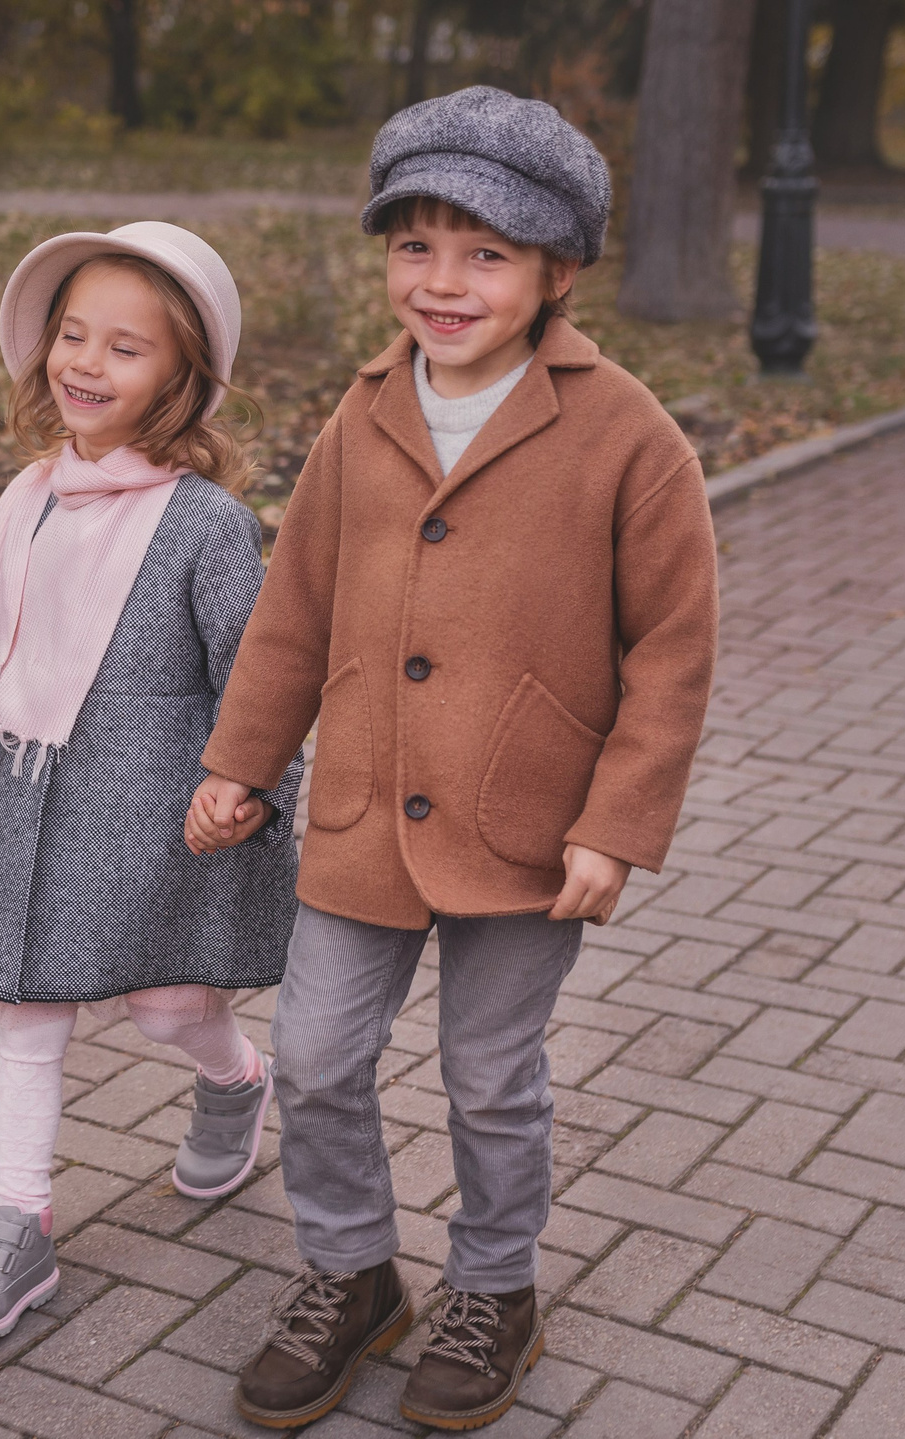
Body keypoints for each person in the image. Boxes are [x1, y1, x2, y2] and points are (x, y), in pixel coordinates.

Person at [187, 87, 720, 1430]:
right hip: (365, 806)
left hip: (529, 823)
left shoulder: (626, 435)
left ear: (557, 272)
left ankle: (495, 1286)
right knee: (311, 1054)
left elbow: (671, 647)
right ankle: (354, 1269)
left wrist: (618, 821)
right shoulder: (361, 418)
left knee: (491, 1075)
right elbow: (294, 610)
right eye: (415, 243)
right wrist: (241, 760)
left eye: (485, 251)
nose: (443, 280)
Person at [0, 221, 306, 1341]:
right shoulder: (22, 503)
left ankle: (232, 1079)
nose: (86, 362)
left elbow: (261, 678)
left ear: (182, 377)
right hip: (44, 809)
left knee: (169, 1005)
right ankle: (17, 1220)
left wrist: (249, 784)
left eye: (125, 347)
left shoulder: (205, 528)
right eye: (72, 334)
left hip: (164, 820)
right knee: (25, 1011)